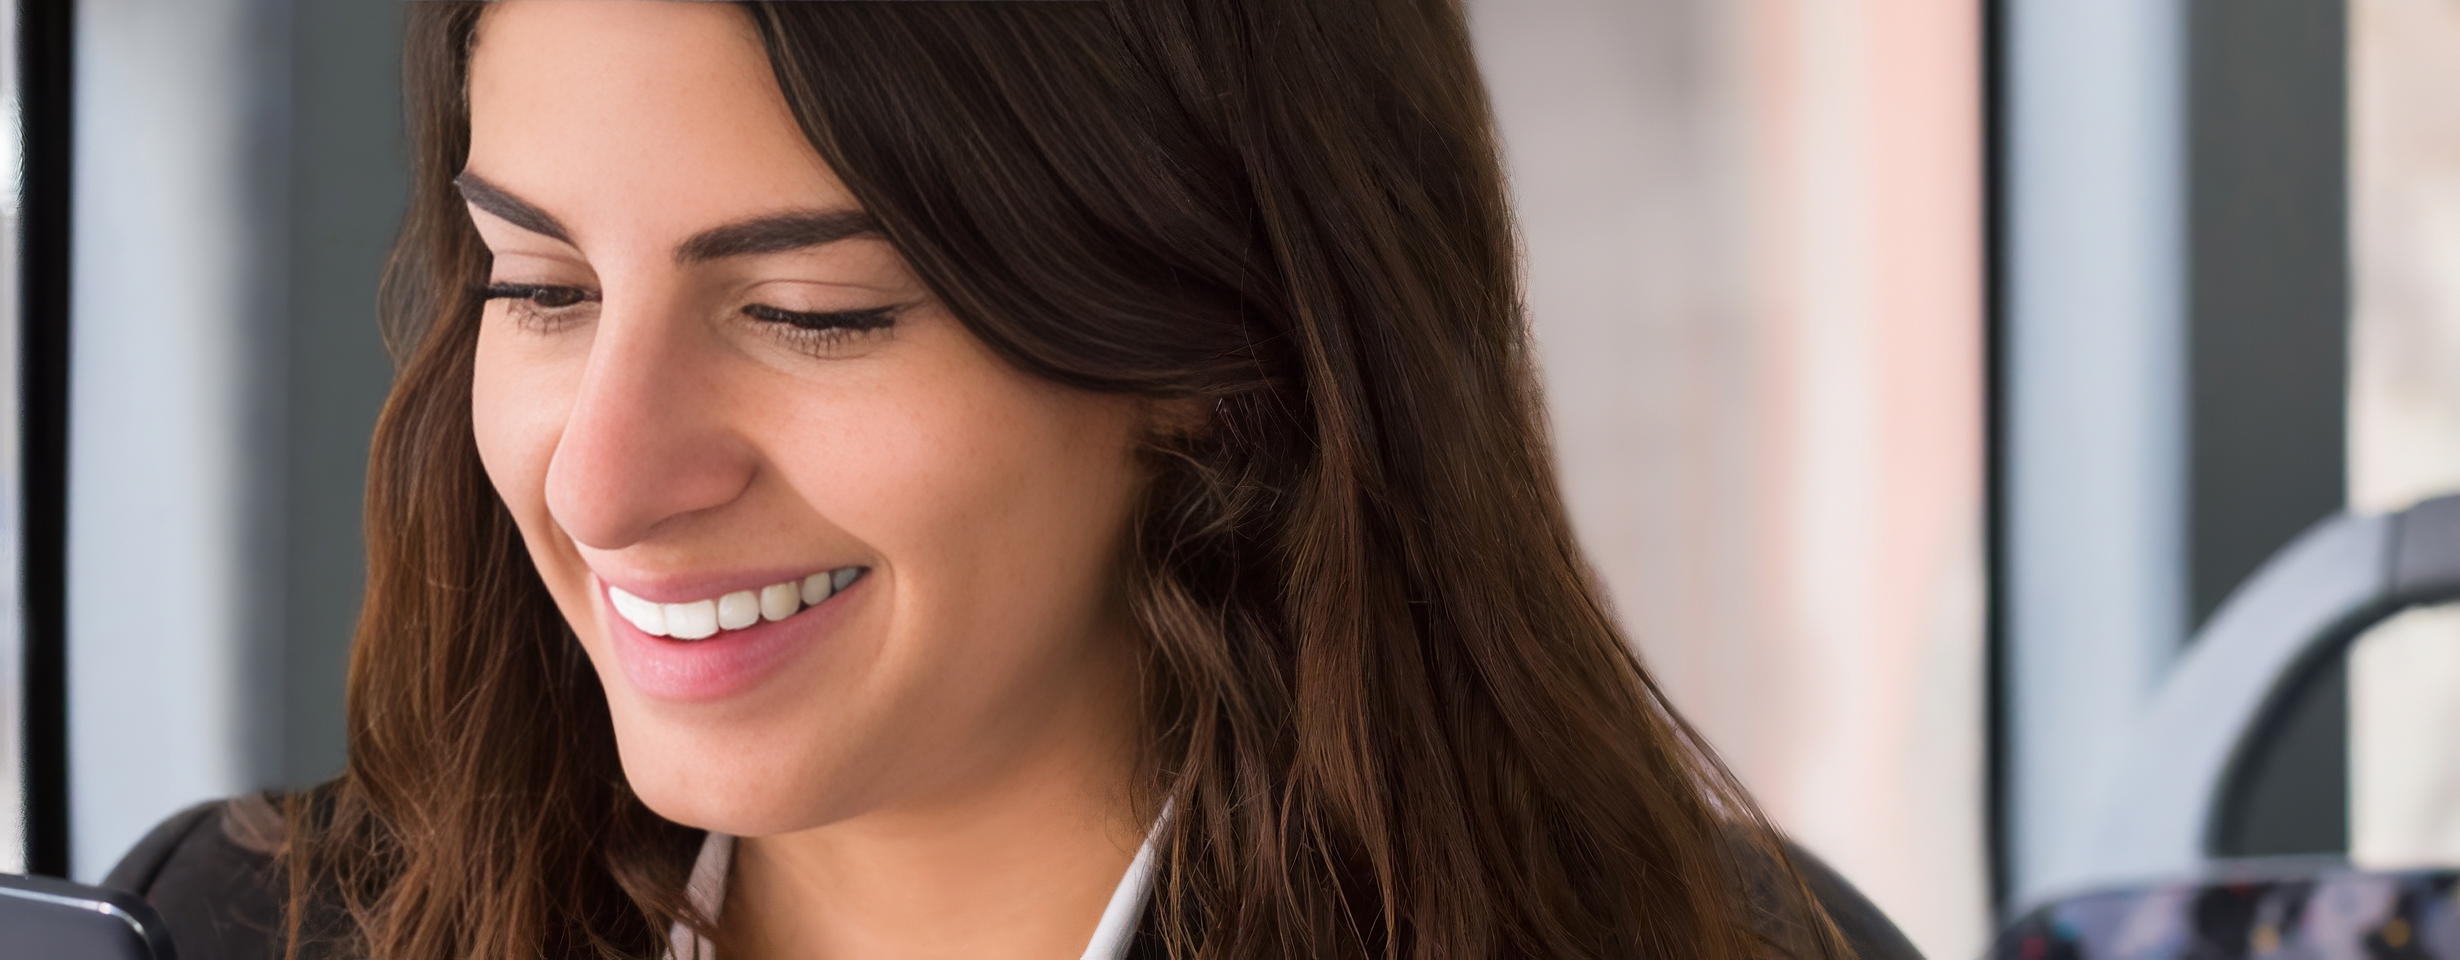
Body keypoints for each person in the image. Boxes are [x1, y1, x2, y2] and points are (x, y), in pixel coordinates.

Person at [110, 3, 1928, 960]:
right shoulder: (233, 934)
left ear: (1215, 363)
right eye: (544, 290)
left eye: (812, 313)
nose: (605, 478)